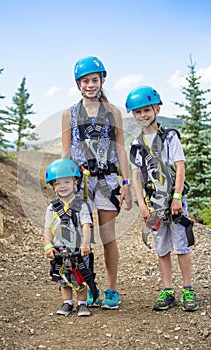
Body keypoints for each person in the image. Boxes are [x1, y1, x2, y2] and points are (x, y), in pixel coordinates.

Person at [61, 56, 132, 309]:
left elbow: (121, 150)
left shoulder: (113, 113)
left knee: (108, 235)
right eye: (85, 81)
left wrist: (126, 183)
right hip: (80, 181)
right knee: (83, 236)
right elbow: (66, 152)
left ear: (102, 80)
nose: (90, 85)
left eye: (94, 80)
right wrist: (63, 183)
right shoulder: (70, 114)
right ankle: (87, 288)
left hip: (108, 180)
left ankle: (111, 289)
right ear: (78, 84)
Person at [125, 85, 199, 312]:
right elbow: (136, 177)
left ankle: (187, 288)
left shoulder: (169, 137)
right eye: (137, 112)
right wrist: (142, 206)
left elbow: (179, 167)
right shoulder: (137, 146)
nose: (142, 115)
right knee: (162, 249)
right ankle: (167, 289)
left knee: (181, 246)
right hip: (154, 205)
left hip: (173, 203)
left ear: (156, 108)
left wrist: (177, 197)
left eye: (146, 110)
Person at [43, 158, 96, 317]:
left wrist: (85, 244)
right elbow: (47, 230)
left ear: (75, 182)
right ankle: (67, 302)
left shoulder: (82, 205)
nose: (62, 186)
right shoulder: (52, 208)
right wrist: (48, 246)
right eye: (58, 183)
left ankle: (82, 303)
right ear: (53, 186)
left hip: (78, 249)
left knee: (81, 276)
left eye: (67, 181)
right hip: (60, 249)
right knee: (63, 276)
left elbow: (86, 226)